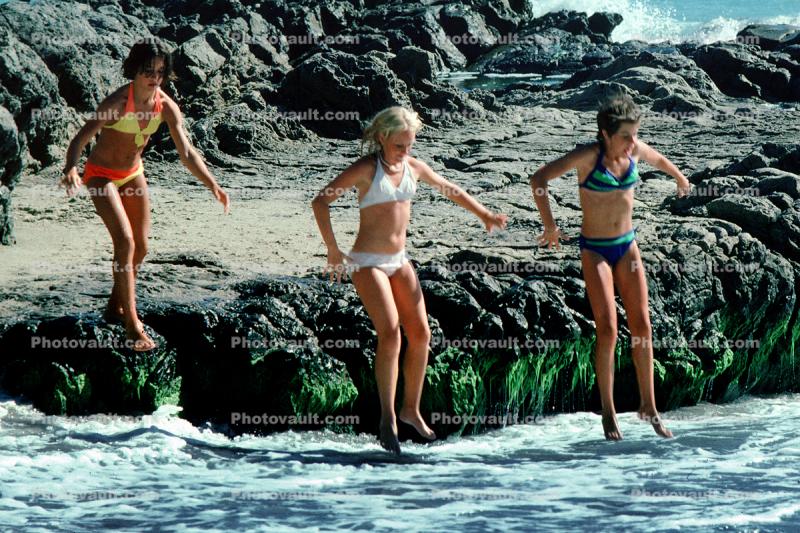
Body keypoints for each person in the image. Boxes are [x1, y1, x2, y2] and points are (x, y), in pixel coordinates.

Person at [312, 107, 508, 454]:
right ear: (383, 137)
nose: (406, 150)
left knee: (421, 334)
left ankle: (410, 409)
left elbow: (449, 188)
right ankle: (387, 418)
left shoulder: (413, 168)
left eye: (410, 144)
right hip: (367, 262)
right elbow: (320, 202)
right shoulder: (366, 170)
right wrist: (332, 250)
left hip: (399, 260)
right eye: (400, 145)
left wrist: (484, 214)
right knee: (389, 333)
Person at [530, 94, 691, 440]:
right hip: (597, 251)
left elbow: (659, 158)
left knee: (643, 326)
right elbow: (539, 179)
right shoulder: (589, 157)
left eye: (636, 135)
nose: (633, 142)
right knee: (608, 329)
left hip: (627, 246)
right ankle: (608, 412)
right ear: (605, 133)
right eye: (626, 136)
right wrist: (550, 226)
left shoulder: (633, 150)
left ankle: (649, 406)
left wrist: (679, 178)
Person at [59, 40, 230, 351]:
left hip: (132, 174)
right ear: (134, 71)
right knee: (125, 242)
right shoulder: (116, 103)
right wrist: (71, 168)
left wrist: (212, 184)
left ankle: (114, 307)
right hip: (100, 175)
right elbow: (80, 140)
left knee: (141, 248)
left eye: (160, 72)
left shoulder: (166, 107)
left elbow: (187, 153)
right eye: (148, 71)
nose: (155, 78)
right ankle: (132, 325)